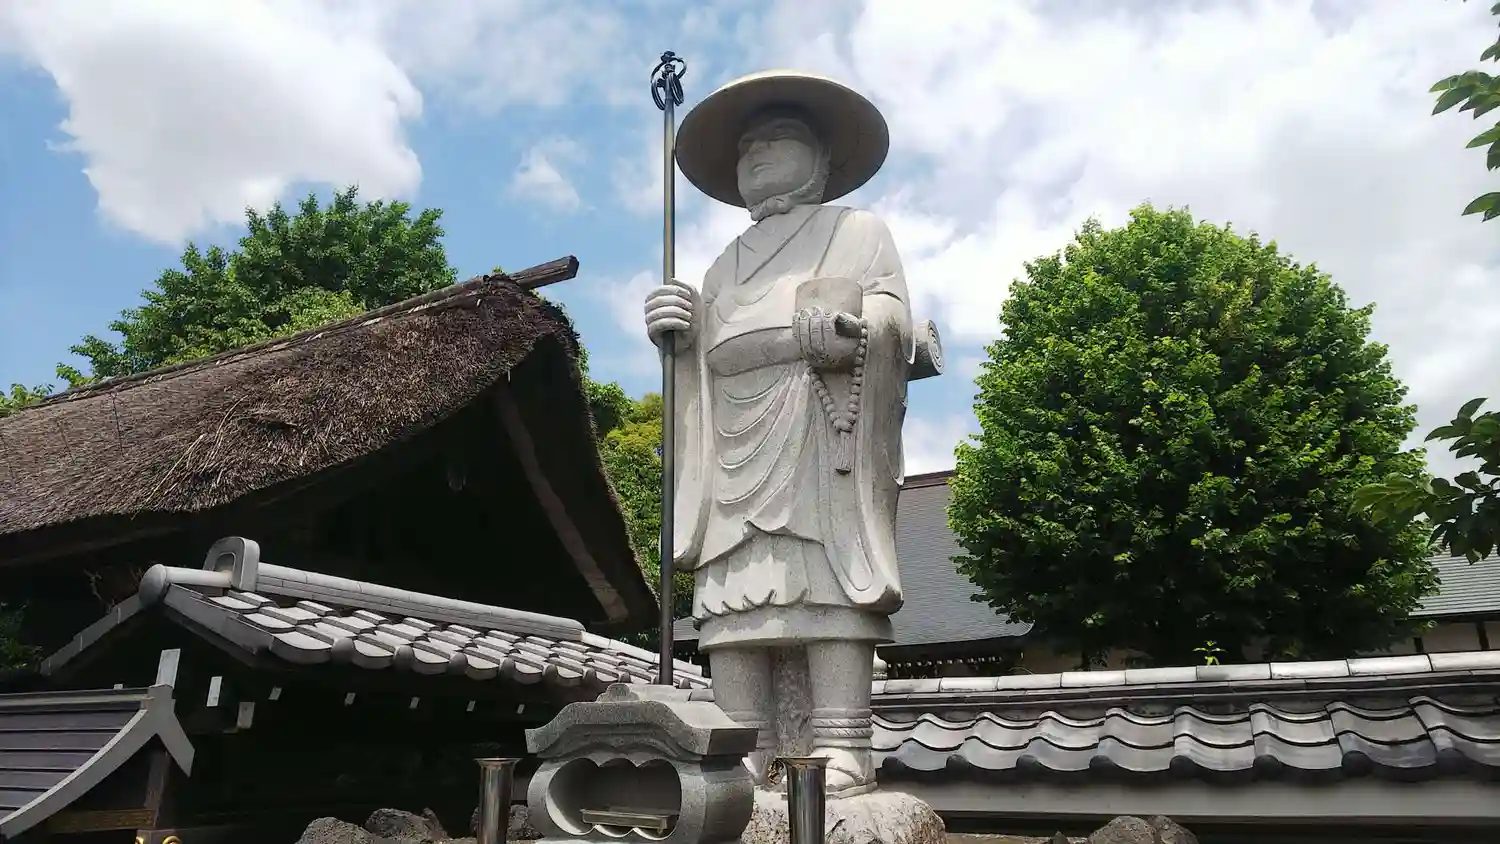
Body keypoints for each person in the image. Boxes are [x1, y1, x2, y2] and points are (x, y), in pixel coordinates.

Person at [642, 71, 913, 798]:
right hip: (731, 437)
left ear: (821, 158)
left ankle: (842, 742)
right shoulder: (721, 266)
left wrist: (856, 329)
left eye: (777, 138)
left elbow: (894, 321)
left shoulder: (857, 232)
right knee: (732, 598)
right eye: (745, 147)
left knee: (826, 583)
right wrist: (677, 334)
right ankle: (742, 745)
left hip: (821, 425)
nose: (755, 152)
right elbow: (699, 358)